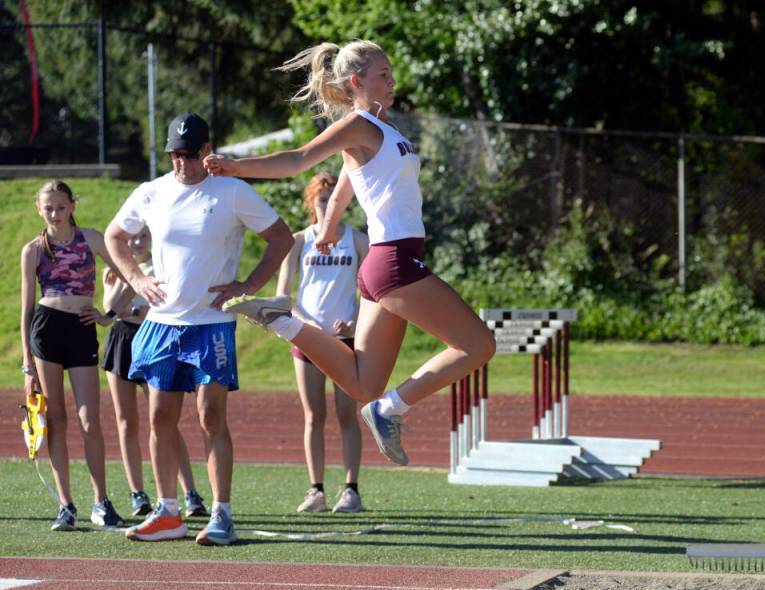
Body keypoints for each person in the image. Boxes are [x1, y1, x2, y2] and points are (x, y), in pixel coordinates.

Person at [204, 40, 495, 466]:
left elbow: (346, 184)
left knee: (363, 384)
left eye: (392, 73)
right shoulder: (356, 125)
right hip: (395, 262)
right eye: (383, 75)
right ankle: (391, 409)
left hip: (385, 262)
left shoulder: (380, 128)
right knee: (479, 345)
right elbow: (299, 159)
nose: (392, 81)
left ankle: (283, 322)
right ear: (357, 82)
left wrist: (326, 227)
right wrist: (236, 167)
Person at [105, 112, 292, 545]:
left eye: (190, 154)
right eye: (175, 155)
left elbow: (282, 238)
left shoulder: (232, 191)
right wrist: (137, 280)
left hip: (211, 323)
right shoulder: (151, 192)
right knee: (159, 418)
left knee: (210, 417)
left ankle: (222, 514)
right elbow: (116, 236)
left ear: (208, 150)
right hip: (162, 323)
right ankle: (168, 512)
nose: (182, 163)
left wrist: (248, 286)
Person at [20, 179, 126, 531]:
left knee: (89, 420)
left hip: (81, 328)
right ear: (40, 209)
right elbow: (25, 310)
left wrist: (109, 316)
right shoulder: (33, 250)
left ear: (72, 206)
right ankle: (66, 505)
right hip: (46, 330)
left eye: (61, 207)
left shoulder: (92, 239)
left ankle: (101, 501)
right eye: (48, 208)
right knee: (56, 420)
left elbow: (129, 274)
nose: (55, 213)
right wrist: (27, 364)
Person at [100, 226, 208, 519]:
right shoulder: (115, 269)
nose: (136, 242)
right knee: (126, 421)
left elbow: (159, 308)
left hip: (156, 339)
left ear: (153, 238)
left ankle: (190, 493)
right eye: (131, 237)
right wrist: (128, 279)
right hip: (123, 341)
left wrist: (135, 310)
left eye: (143, 236)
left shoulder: (162, 264)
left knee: (164, 420)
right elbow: (111, 310)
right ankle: (138, 494)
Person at [278, 172, 369, 513]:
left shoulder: (357, 241)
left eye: (335, 201)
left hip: (345, 339)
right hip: (308, 340)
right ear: (311, 203)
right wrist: (304, 324)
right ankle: (315, 490)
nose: (328, 207)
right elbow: (283, 295)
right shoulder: (299, 241)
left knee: (348, 414)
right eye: (321, 200)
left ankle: (351, 490)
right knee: (313, 415)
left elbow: (375, 291)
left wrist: (356, 321)